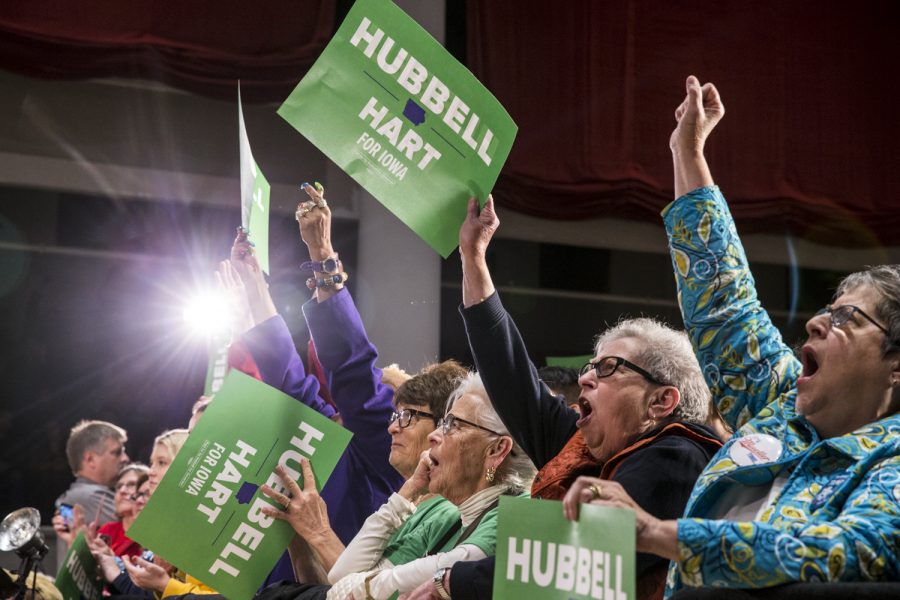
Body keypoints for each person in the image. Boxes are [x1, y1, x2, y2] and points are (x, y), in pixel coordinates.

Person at [564, 76, 900, 595]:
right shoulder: (781, 405)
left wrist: (662, 535)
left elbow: (851, 550)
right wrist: (688, 153)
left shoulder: (893, 459)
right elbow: (723, 301)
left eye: (847, 319)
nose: (815, 323)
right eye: (825, 311)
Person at [444, 195, 723, 600]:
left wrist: (453, 580)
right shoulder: (585, 448)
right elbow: (510, 375)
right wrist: (473, 256)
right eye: (590, 367)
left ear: (661, 402)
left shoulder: (678, 456)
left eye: (607, 368)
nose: (586, 377)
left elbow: (575, 559)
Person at [255, 359, 468, 583]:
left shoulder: (448, 515)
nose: (392, 428)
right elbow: (332, 593)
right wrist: (299, 540)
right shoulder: (409, 505)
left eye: (408, 417)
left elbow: (370, 592)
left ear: (446, 428)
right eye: (396, 416)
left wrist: (318, 532)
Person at [53, 420, 129, 566]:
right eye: (117, 452)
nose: (125, 458)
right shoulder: (87, 496)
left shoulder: (75, 495)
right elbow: (144, 530)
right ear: (90, 459)